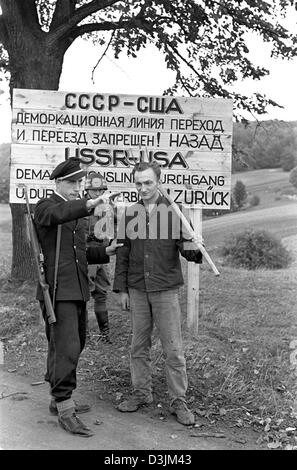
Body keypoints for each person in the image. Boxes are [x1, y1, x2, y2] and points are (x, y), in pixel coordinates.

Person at [34, 157, 122, 438]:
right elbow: (59, 214)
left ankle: (55, 397)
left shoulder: (74, 212)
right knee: (67, 347)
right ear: (58, 182)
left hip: (77, 288)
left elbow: (79, 252)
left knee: (74, 343)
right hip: (57, 291)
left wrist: (105, 253)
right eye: (72, 182)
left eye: (79, 183)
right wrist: (90, 204)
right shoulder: (46, 206)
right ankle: (65, 408)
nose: (77, 187)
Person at [113, 161, 203, 426]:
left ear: (158, 182)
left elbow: (187, 251)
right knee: (138, 346)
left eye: (148, 182)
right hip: (138, 289)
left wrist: (194, 246)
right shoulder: (130, 214)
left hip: (165, 290)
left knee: (173, 348)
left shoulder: (174, 212)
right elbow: (123, 252)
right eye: (138, 183)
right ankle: (141, 393)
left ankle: (178, 400)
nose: (143, 188)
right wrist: (121, 289)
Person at [84, 171, 115, 343]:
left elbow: (113, 225)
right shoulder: (82, 207)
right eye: (94, 190)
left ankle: (105, 335)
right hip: (87, 254)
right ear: (87, 190)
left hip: (103, 253)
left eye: (101, 190)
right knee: (85, 295)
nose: (98, 193)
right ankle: (85, 335)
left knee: (101, 294)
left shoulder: (108, 206)